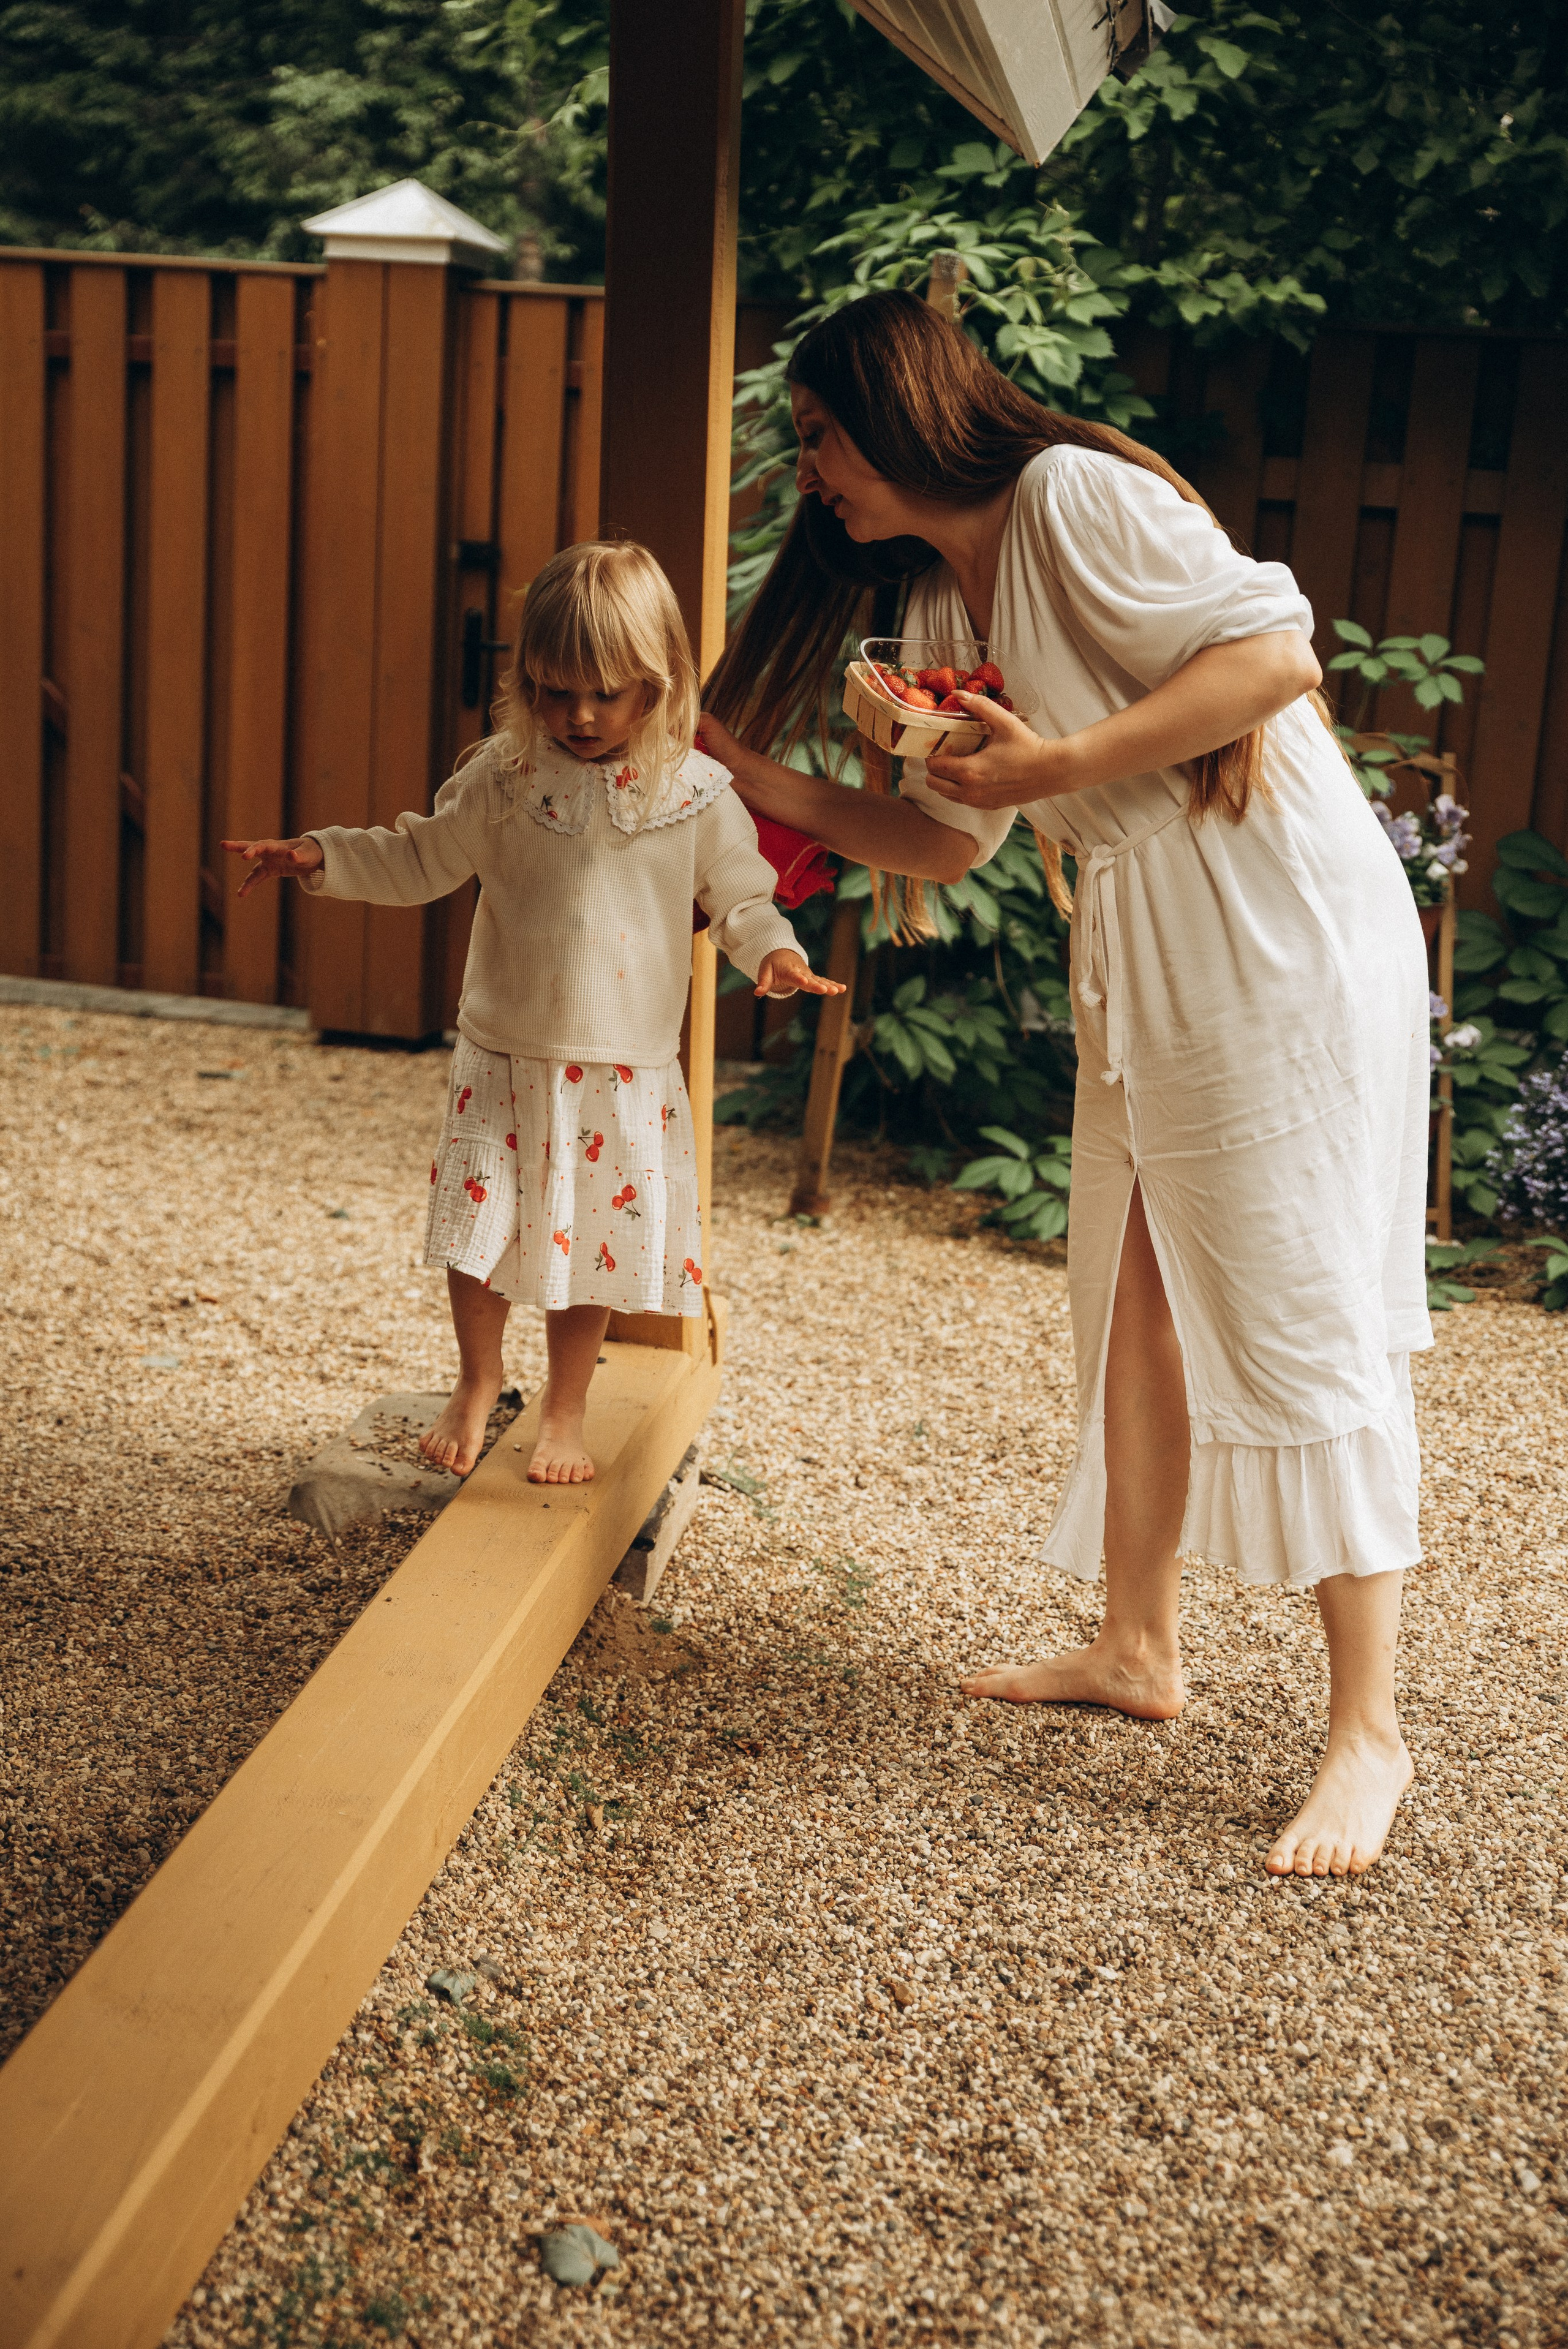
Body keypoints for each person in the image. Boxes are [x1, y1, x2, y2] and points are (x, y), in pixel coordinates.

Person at [699, 291, 1429, 1880]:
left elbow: (1277, 656)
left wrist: (1055, 767)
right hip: (1152, 936)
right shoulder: (937, 608)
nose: (806, 467)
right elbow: (945, 842)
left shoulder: (1069, 499)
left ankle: (1369, 1729)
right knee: (1133, 1294)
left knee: (1294, 1296)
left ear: (896, 406)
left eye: (818, 433)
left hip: (1271, 919)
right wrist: (749, 778)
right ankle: (1137, 1644)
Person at [224, 540, 842, 1487]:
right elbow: (420, 856)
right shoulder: (504, 777)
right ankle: (478, 1381)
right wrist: (320, 854)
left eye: (604, 694)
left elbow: (742, 898)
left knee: (589, 1247)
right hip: (504, 1053)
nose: (579, 716)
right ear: (527, 684)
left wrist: (777, 955)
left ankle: (565, 1407)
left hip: (619, 1069)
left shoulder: (696, 795)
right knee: (479, 1234)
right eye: (555, 693)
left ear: (657, 683)